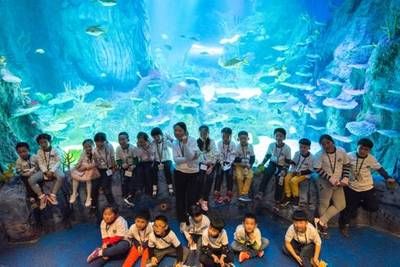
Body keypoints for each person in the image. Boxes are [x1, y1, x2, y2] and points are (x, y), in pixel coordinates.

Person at [339, 138, 396, 237]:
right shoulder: (348, 156)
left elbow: (380, 169)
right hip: (352, 188)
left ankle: (358, 204)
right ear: (357, 146)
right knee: (348, 209)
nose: (363, 151)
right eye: (361, 148)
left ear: (369, 150)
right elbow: (342, 168)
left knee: (373, 207)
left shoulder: (371, 158)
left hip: (367, 187)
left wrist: (387, 177)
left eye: (366, 149)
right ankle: (344, 226)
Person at [314, 134, 350, 237]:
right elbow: (317, 168)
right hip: (324, 182)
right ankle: (322, 228)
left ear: (332, 141)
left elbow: (346, 164)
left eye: (328, 142)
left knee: (341, 205)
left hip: (338, 183)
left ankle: (321, 221)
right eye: (323, 144)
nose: (326, 145)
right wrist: (329, 178)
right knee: (324, 204)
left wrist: (345, 178)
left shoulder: (341, 151)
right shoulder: (319, 154)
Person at [172, 122, 200, 225]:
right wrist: (189, 159)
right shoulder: (175, 143)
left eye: (180, 130)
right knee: (180, 197)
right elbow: (176, 160)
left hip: (193, 173)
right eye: (175, 131)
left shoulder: (192, 140)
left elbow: (190, 155)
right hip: (179, 172)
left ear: (185, 131)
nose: (177, 133)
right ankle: (182, 220)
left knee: (192, 198)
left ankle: (192, 219)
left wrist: (185, 144)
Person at [256, 128, 291, 206]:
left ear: (284, 137)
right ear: (274, 136)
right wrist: (262, 164)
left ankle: (277, 199)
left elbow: (288, 161)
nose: (278, 138)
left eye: (281, 136)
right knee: (267, 173)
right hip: (272, 163)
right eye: (277, 135)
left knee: (280, 179)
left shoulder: (287, 148)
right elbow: (268, 155)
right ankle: (260, 193)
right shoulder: (271, 145)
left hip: (282, 166)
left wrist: (284, 170)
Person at [29, 133, 65, 209]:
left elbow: (58, 161)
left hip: (54, 170)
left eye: (45, 142)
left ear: (50, 141)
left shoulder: (55, 150)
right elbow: (40, 163)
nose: (43, 144)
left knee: (61, 176)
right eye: (41, 143)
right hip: (44, 171)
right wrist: (45, 171)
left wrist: (52, 171)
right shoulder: (39, 152)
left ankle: (53, 195)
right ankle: (42, 197)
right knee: (31, 180)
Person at [282, 138, 313, 207]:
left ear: (309, 148)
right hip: (294, 171)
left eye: (304, 147)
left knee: (293, 181)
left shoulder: (312, 157)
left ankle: (296, 198)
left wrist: (301, 173)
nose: (302, 149)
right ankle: (288, 196)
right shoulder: (297, 153)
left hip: (304, 174)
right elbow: (294, 163)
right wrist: (289, 161)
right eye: (300, 147)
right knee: (286, 178)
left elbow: (311, 170)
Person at [70, 139, 100, 207]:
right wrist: (77, 166)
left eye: (90, 146)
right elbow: (80, 161)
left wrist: (86, 167)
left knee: (88, 179)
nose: (88, 148)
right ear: (83, 148)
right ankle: (74, 193)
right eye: (86, 147)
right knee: (75, 176)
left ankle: (89, 197)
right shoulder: (83, 153)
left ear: (93, 145)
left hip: (92, 170)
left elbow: (96, 163)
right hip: (84, 168)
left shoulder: (95, 153)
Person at [92, 132, 116, 211]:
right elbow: (94, 162)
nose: (100, 143)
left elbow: (112, 157)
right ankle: (94, 206)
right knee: (94, 187)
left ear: (105, 141)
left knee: (106, 187)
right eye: (97, 142)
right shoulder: (94, 150)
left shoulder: (109, 146)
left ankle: (113, 206)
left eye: (102, 141)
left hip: (108, 168)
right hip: (99, 169)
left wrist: (113, 168)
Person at [197, 125, 217, 211]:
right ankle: (199, 198)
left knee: (210, 178)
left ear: (208, 133)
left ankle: (205, 200)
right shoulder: (196, 142)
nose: (204, 134)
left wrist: (211, 166)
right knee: (200, 178)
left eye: (205, 132)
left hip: (211, 164)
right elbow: (198, 155)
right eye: (202, 132)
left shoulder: (212, 141)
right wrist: (205, 162)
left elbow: (215, 154)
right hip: (201, 164)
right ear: (199, 133)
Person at [150, 127, 174, 198]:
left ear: (161, 135)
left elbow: (174, 145)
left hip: (167, 160)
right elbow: (152, 152)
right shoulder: (153, 143)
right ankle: (154, 189)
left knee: (167, 169)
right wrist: (152, 160)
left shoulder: (165, 141)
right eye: (154, 137)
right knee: (153, 170)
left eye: (157, 136)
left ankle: (170, 188)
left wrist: (170, 139)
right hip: (158, 161)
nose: (156, 138)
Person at [116, 132, 138, 207]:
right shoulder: (118, 148)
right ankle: (125, 196)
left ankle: (132, 196)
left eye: (123, 139)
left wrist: (133, 166)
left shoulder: (133, 148)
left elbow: (136, 159)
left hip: (132, 167)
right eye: (119, 139)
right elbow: (118, 160)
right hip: (125, 167)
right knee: (124, 180)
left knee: (133, 180)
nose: (121, 141)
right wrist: (122, 165)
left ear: (128, 139)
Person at [214, 127, 236, 204]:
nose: (225, 138)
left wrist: (229, 163)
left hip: (229, 163)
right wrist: (222, 162)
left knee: (230, 174)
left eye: (227, 136)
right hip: (221, 162)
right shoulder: (219, 143)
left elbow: (233, 155)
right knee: (219, 174)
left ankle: (229, 193)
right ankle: (217, 192)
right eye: (223, 136)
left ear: (230, 136)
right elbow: (219, 154)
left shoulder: (233, 144)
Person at [233, 131, 255, 202]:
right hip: (239, 165)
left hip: (247, 165)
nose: (243, 140)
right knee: (239, 177)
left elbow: (252, 157)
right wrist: (242, 162)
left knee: (250, 176)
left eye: (244, 138)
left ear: (248, 138)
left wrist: (249, 165)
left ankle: (243, 194)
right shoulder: (237, 147)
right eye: (241, 138)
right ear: (238, 139)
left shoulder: (250, 146)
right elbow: (235, 159)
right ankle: (243, 195)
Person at [136, 132, 156, 196]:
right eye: (139, 141)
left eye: (142, 141)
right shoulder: (138, 145)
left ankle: (149, 190)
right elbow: (139, 156)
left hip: (150, 161)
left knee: (148, 172)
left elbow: (152, 155)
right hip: (142, 162)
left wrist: (146, 148)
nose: (141, 143)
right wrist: (139, 148)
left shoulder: (151, 144)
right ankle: (140, 189)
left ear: (146, 140)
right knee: (139, 171)